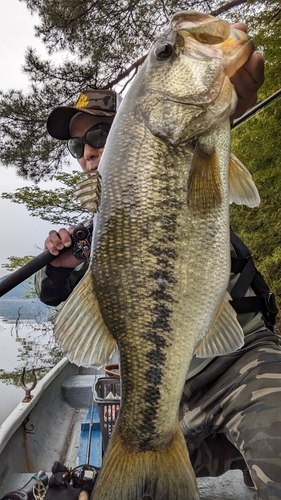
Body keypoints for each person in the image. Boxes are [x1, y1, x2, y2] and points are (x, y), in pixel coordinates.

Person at [35, 26, 281, 500]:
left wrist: (227, 100)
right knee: (133, 483)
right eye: (76, 147)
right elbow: (61, 301)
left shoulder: (195, 147)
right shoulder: (99, 231)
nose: (87, 153)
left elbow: (212, 126)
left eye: (100, 134)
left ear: (129, 122)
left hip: (241, 361)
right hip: (166, 397)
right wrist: (63, 268)